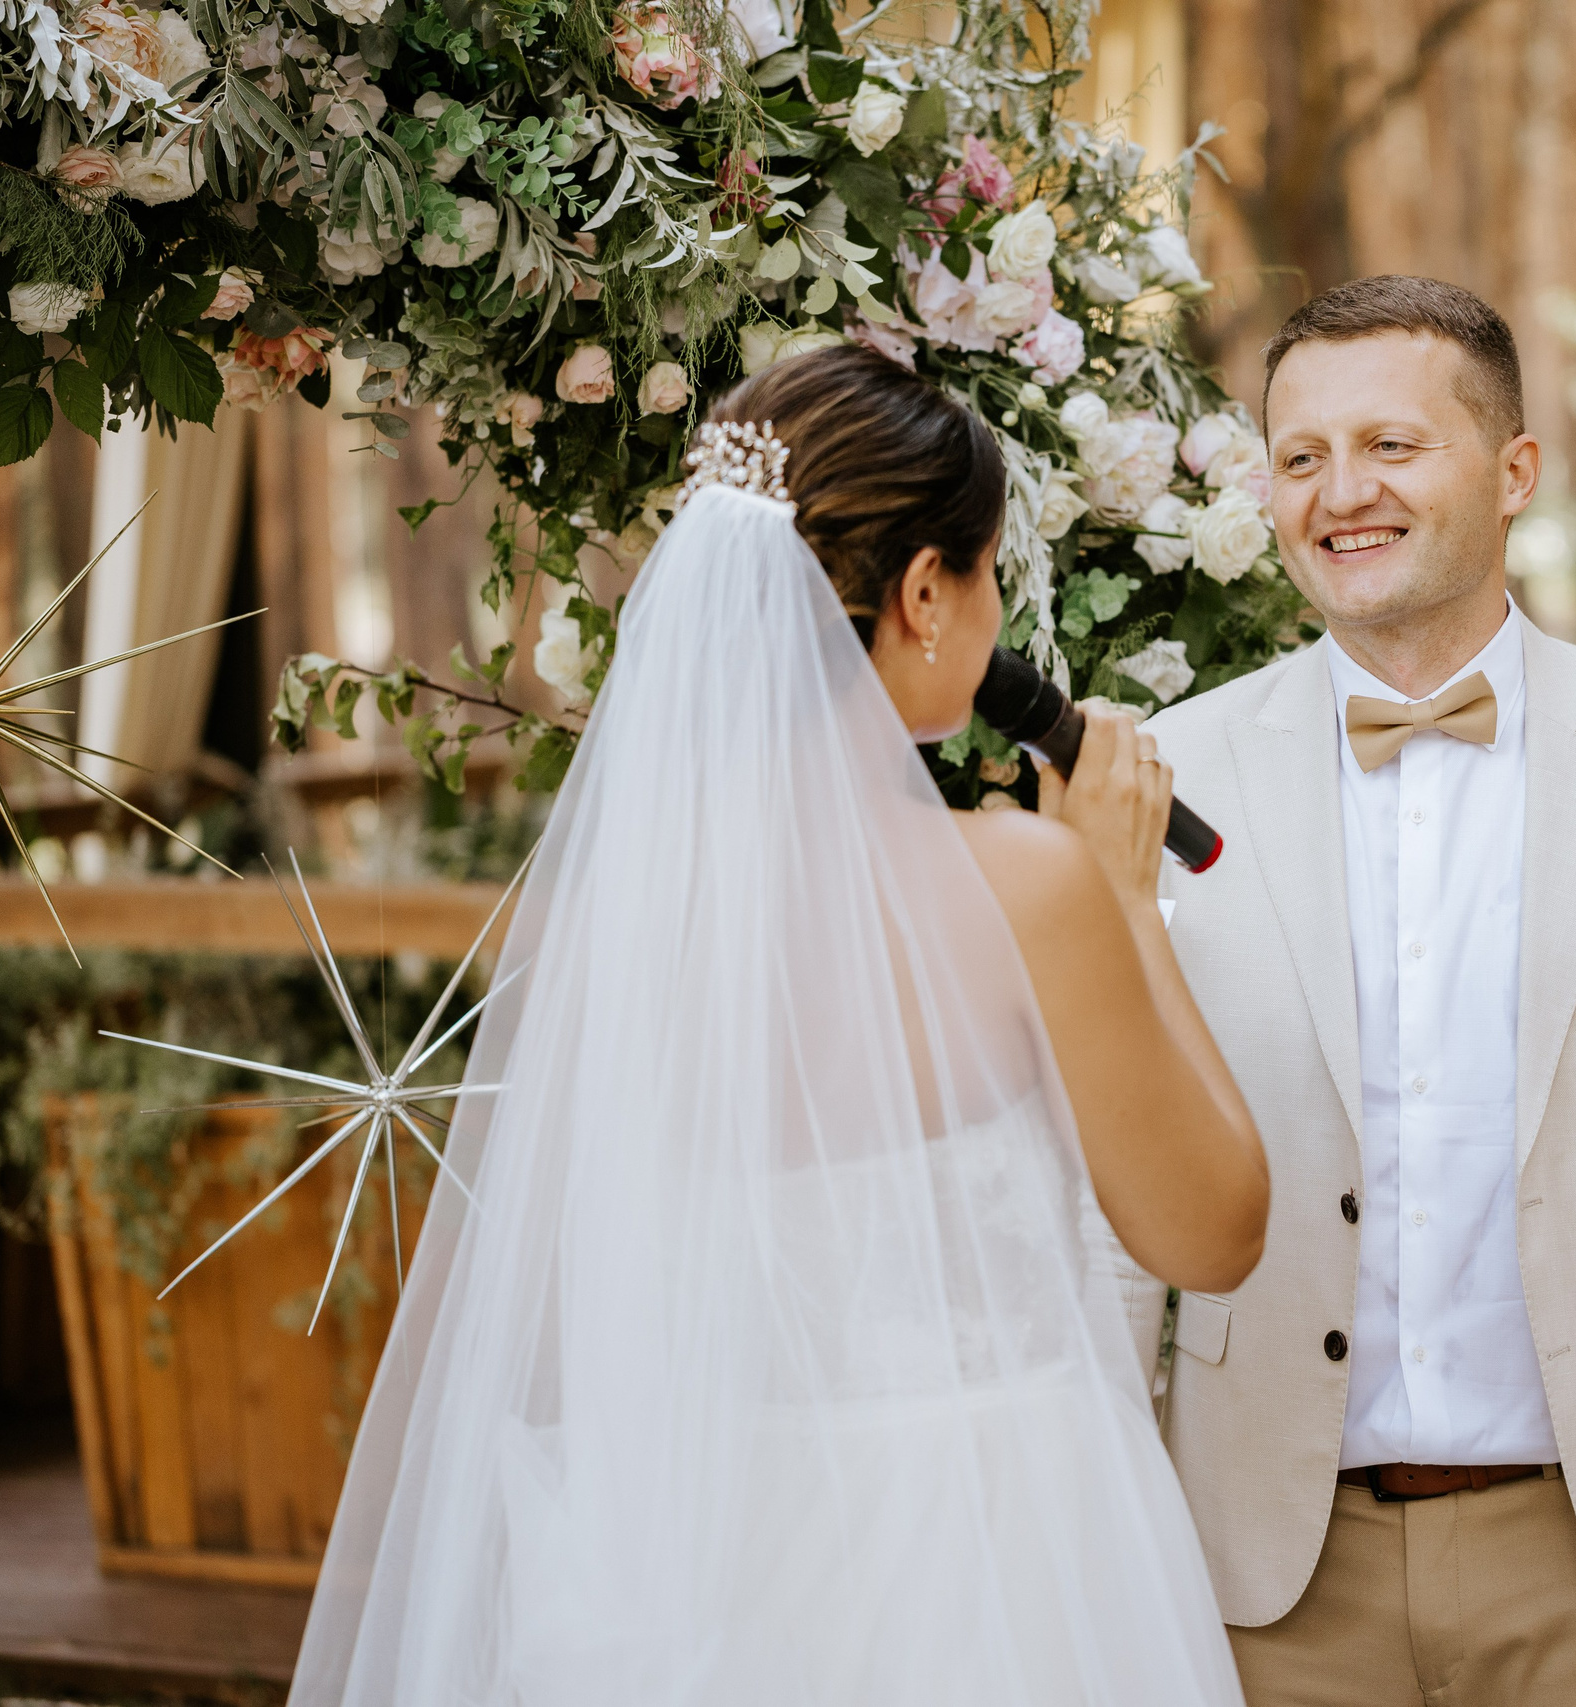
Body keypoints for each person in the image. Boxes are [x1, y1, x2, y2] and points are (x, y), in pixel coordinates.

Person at [291, 343, 1268, 1705]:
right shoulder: (1025, 887)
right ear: (925, 593)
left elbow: (561, 1337)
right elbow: (1212, 1230)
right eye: (986, 574)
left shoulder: (624, 924)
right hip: (997, 1571)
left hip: (705, 1571)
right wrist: (1120, 892)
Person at [1139, 276, 1576, 1707]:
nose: (1344, 494)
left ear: (1515, 471)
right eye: (1301, 457)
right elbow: (1108, 1198)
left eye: (1393, 446)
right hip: (1255, 1575)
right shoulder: (1163, 773)